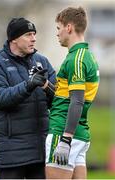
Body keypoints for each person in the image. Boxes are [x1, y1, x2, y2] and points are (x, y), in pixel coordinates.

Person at [0, 17, 56, 179]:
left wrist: (47, 88)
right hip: (11, 154)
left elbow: (58, 99)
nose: (34, 38)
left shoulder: (42, 61)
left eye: (34, 34)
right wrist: (28, 85)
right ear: (13, 38)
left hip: (40, 151)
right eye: (28, 34)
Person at [46, 6, 100, 179]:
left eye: (58, 28)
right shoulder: (88, 56)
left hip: (63, 132)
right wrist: (46, 86)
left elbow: (77, 101)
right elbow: (68, 96)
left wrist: (65, 139)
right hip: (79, 134)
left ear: (68, 27)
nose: (57, 33)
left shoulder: (76, 59)